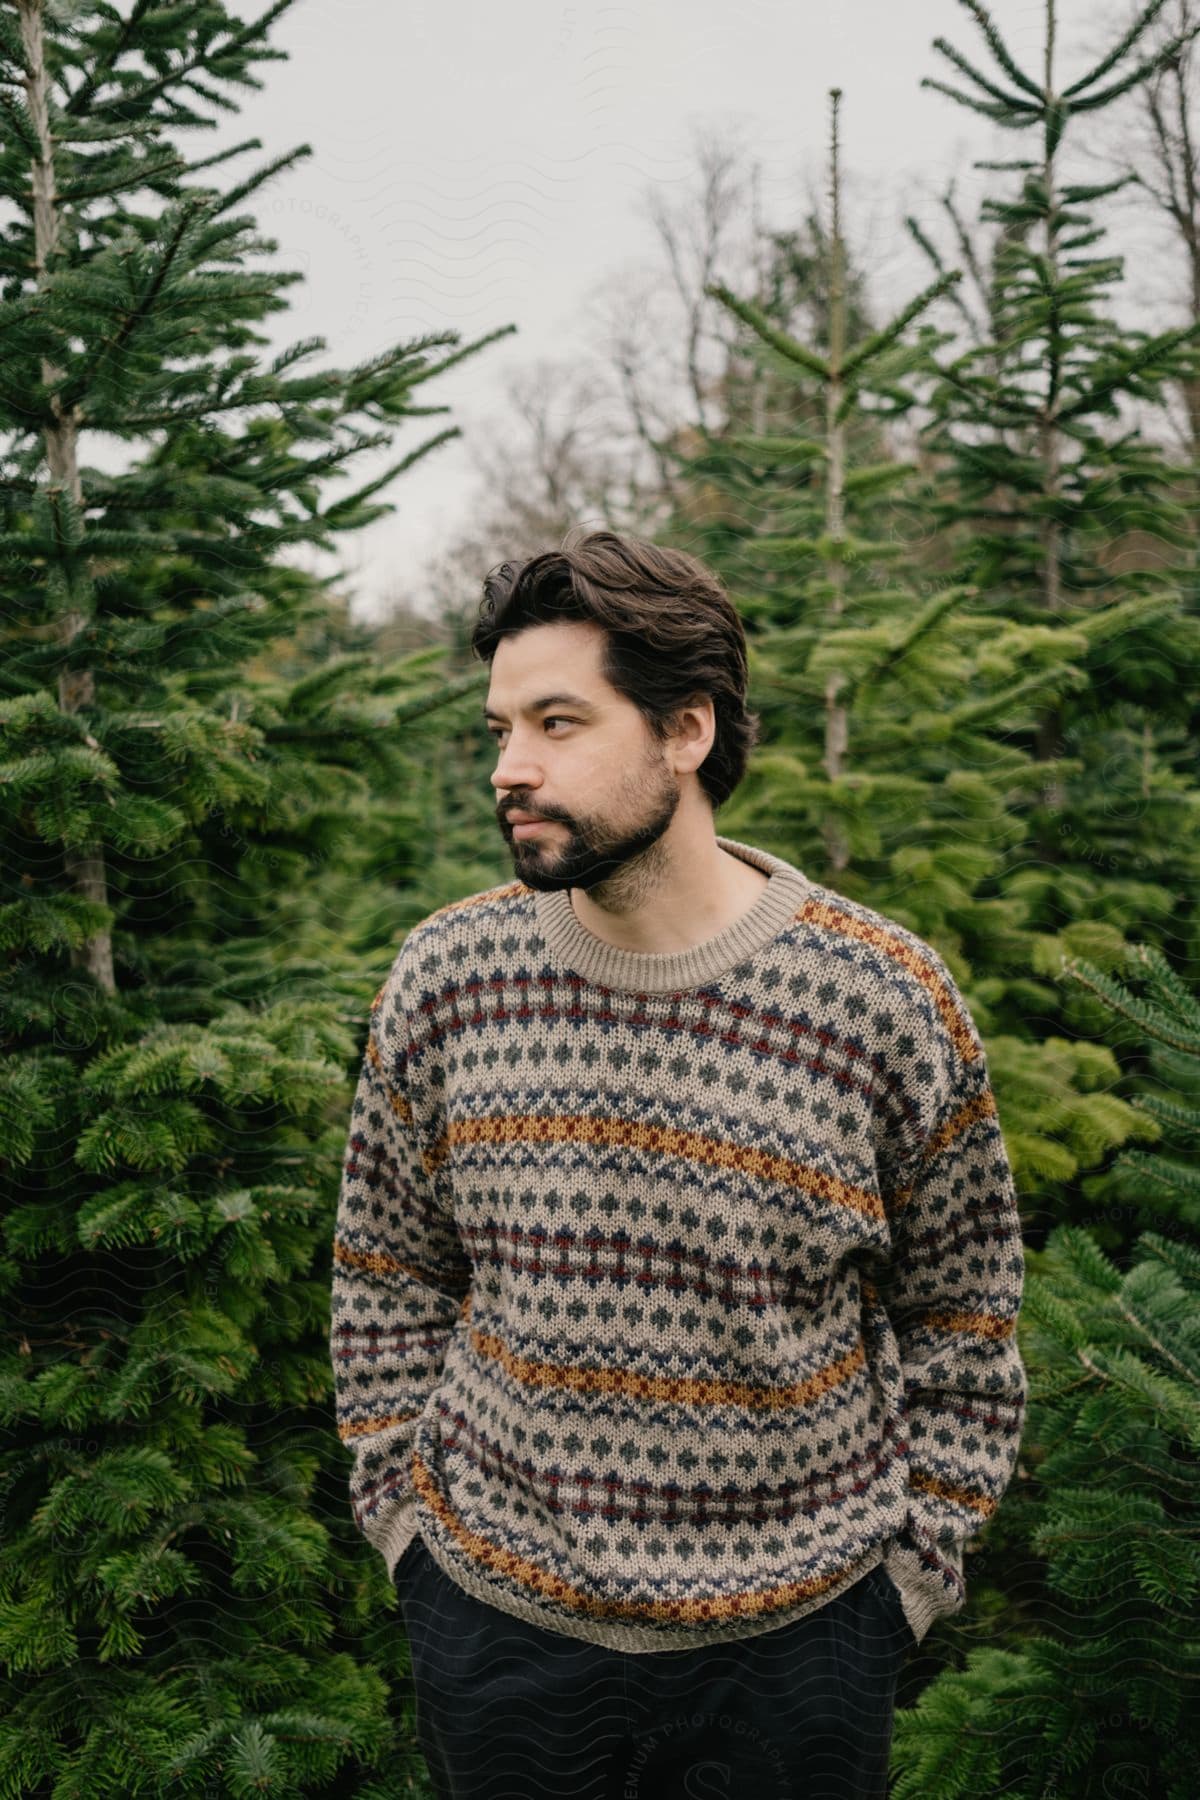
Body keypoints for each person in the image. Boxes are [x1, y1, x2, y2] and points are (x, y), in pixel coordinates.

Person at [329, 529, 1027, 1799]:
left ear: (685, 731)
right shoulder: (449, 976)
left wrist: (907, 1581)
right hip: (499, 1626)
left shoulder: (878, 997)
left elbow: (966, 1315)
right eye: (499, 730)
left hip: (801, 1644)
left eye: (557, 722)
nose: (512, 768)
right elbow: (387, 1270)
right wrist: (407, 1531)